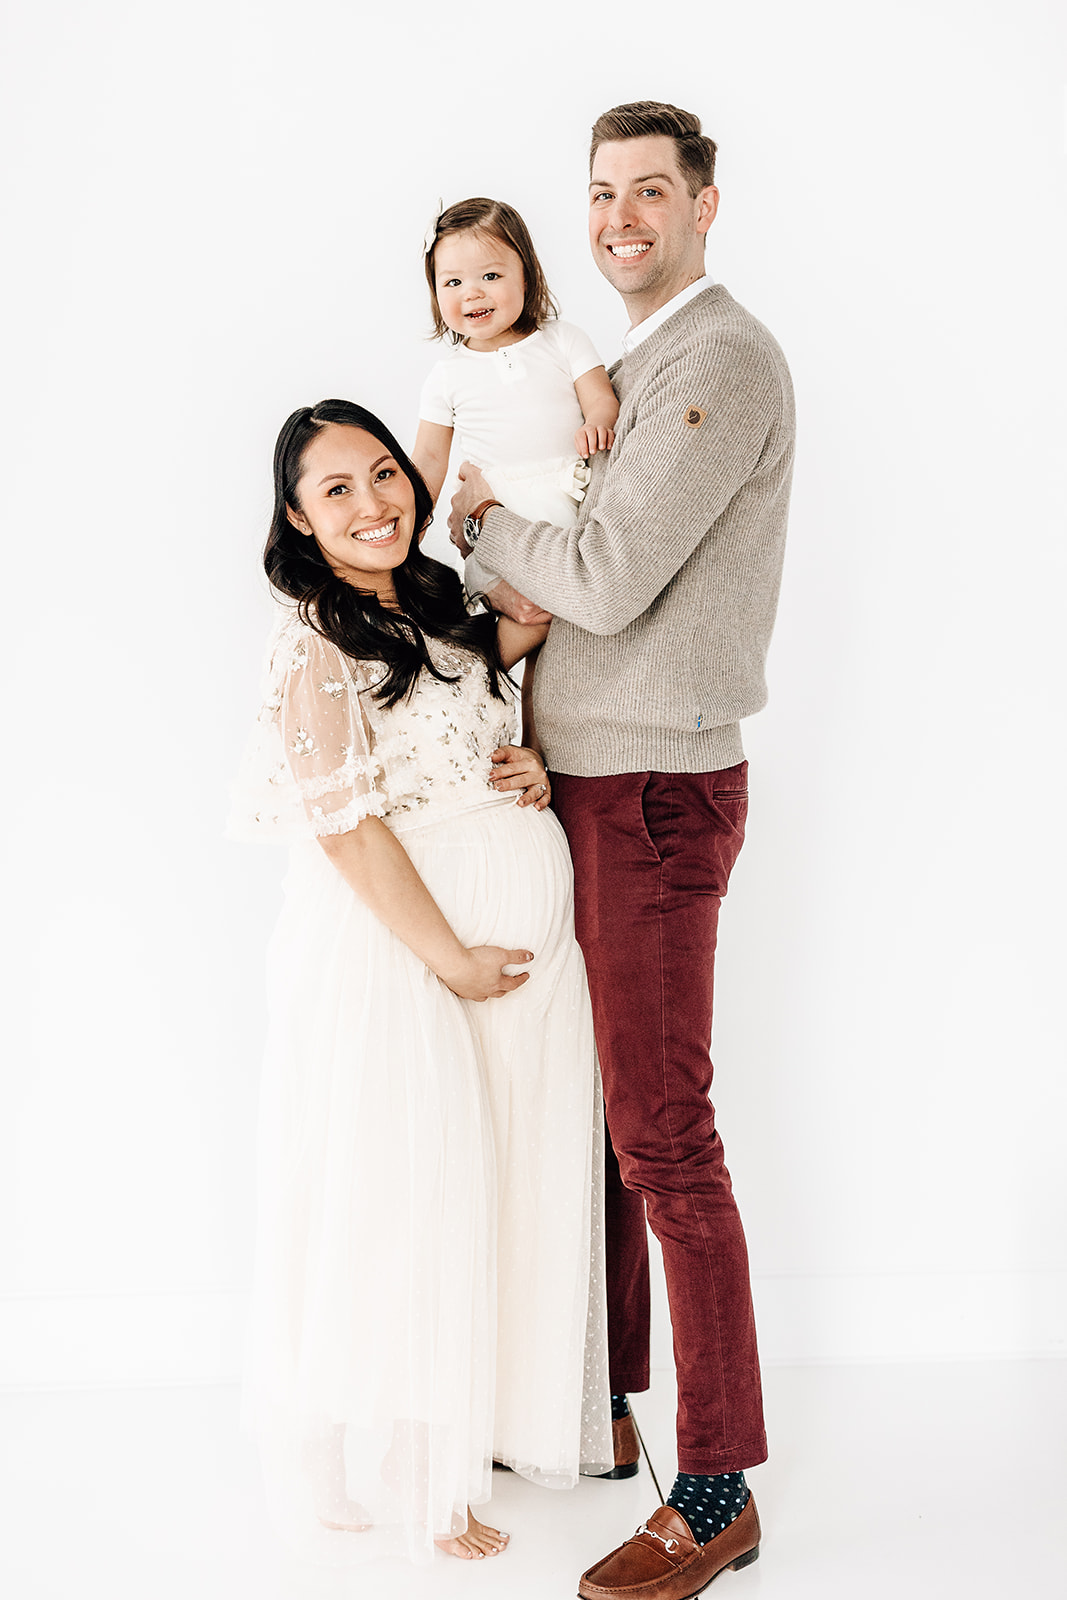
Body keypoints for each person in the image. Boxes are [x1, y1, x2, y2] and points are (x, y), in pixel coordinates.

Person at [450, 101, 795, 1598]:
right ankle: (603, 1418)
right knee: (602, 1131)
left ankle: (714, 1496)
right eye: (598, 194)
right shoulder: (632, 363)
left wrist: (474, 534)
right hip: (593, 782)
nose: (616, 218)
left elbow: (597, 573)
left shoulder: (713, 360)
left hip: (654, 797)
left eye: (648, 191)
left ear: (705, 205)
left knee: (663, 1139)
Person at [231, 399, 612, 1567]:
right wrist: (443, 953)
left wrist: (525, 760)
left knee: (482, 1189)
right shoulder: (315, 641)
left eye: (384, 473)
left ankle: (456, 1431)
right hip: (395, 955)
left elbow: (490, 690)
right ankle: (372, 1453)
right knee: (395, 1196)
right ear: (297, 518)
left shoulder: (443, 611)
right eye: (335, 489)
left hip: (514, 954)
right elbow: (346, 828)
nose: (371, 503)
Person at [413, 196, 618, 744]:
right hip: (495, 526)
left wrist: (597, 422)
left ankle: (529, 739)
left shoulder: (562, 340)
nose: (471, 293)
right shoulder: (448, 376)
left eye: (490, 275)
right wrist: (413, 522)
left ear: (526, 275)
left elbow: (600, 398)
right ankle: (463, 702)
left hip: (564, 517)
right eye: (451, 283)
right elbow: (428, 460)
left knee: (567, 634)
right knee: (528, 618)